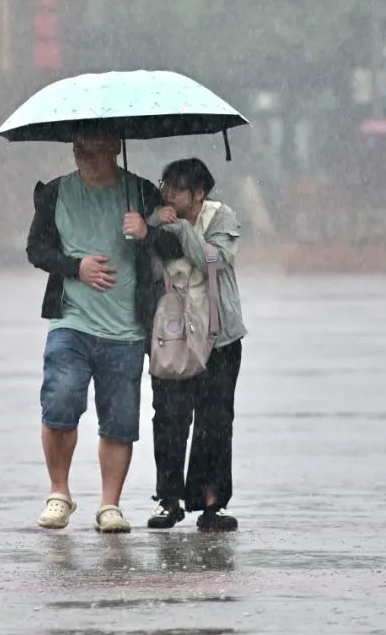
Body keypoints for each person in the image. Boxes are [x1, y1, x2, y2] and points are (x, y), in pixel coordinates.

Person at [26, 132, 168, 533]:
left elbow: (173, 245)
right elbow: (36, 250)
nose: (84, 158)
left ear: (115, 149)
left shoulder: (141, 193)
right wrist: (76, 266)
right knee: (60, 401)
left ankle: (110, 505)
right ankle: (59, 492)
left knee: (120, 419)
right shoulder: (54, 194)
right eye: (77, 150)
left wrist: (147, 231)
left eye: (93, 150)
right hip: (71, 321)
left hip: (126, 327)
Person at [146, 158, 247, 532]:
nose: (169, 194)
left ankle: (212, 502)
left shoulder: (221, 218)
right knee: (169, 418)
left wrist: (184, 229)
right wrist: (151, 229)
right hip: (171, 334)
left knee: (215, 419)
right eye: (165, 185)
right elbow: (147, 263)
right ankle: (168, 500)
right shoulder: (154, 218)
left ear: (199, 194)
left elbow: (214, 261)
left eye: (178, 188)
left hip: (219, 337)